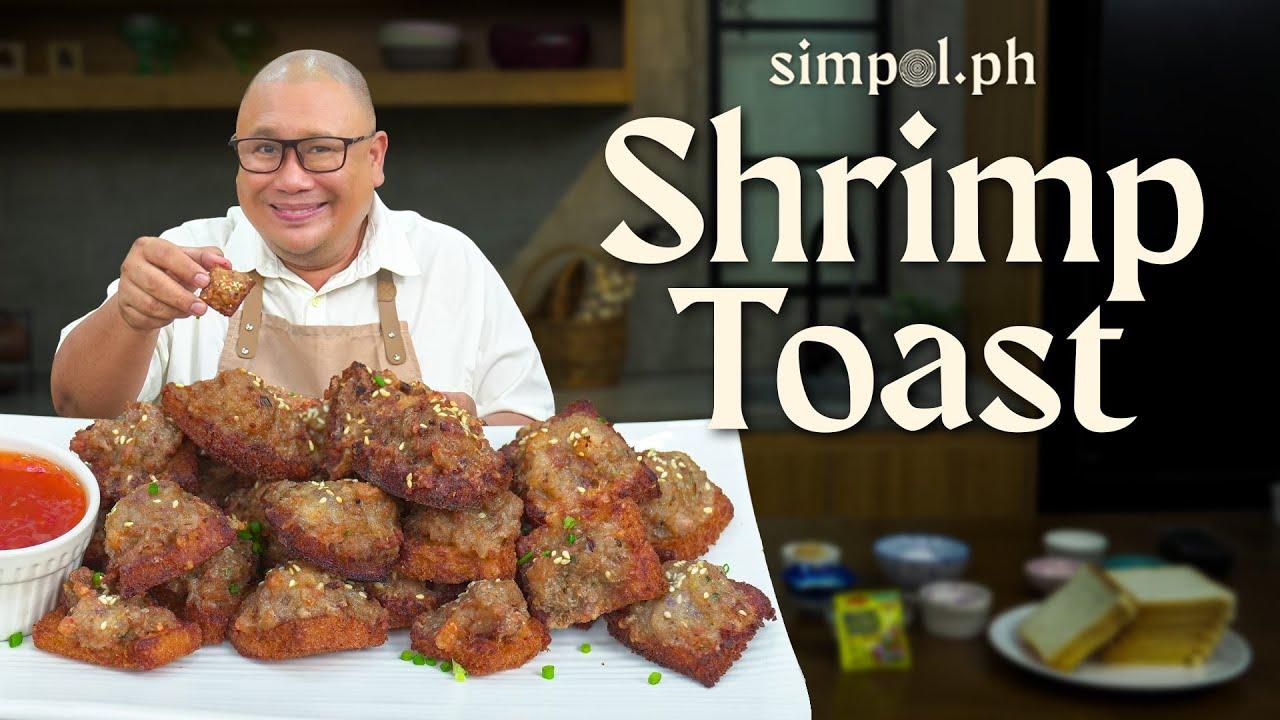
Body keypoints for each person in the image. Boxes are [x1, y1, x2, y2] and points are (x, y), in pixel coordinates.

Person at [51, 50, 552, 425]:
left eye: (320, 149)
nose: (291, 179)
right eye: (265, 149)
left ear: (374, 158)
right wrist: (130, 318)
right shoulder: (183, 260)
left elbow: (525, 423)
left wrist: (461, 434)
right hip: (219, 557)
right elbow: (76, 409)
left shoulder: (451, 263)